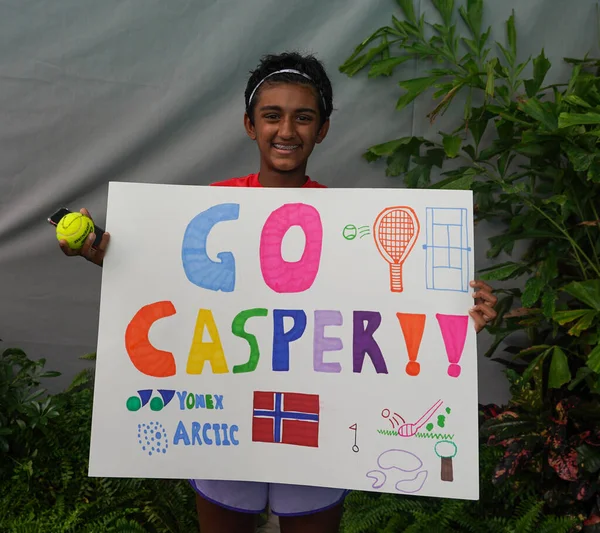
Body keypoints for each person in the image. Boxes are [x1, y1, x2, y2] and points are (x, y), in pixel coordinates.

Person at [57, 51, 498, 533]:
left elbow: (386, 323)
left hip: (318, 426)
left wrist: (456, 317)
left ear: (323, 129)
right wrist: (106, 254)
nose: (287, 131)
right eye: (272, 115)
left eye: (303, 117)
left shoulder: (351, 221)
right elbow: (162, 281)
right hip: (225, 421)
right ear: (250, 124)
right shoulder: (207, 209)